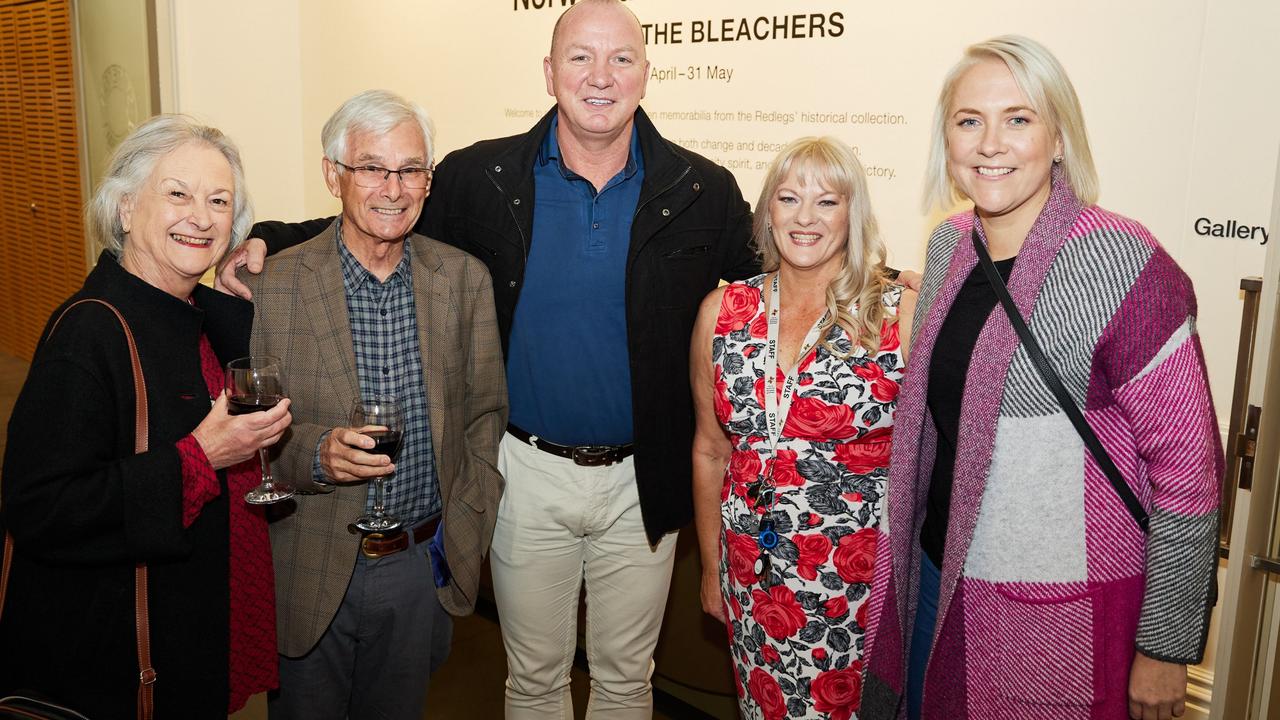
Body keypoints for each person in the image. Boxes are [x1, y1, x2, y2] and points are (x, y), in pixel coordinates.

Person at [218, 1, 757, 716]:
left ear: (646, 76)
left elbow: (774, 275)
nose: (600, 77)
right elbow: (380, 214)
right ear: (548, 72)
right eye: (580, 57)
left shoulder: (701, 189)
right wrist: (267, 236)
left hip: (641, 481)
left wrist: (881, 282)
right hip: (525, 472)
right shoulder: (482, 176)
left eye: (621, 58)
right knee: (533, 677)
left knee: (628, 677)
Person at [860, 36, 1222, 720]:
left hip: (1063, 597)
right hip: (934, 575)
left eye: (1018, 119)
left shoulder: (1122, 259)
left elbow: (1190, 473)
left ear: (1058, 138)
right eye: (970, 120)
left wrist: (1166, 647)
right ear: (948, 139)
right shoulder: (948, 246)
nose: (991, 142)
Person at [0, 116, 290, 717]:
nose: (201, 216)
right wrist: (201, 457)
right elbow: (40, 508)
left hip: (194, 636)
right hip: (121, 666)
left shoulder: (206, 314)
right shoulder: (90, 331)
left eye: (219, 201)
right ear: (127, 208)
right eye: (178, 194)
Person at [240, 89, 507, 720]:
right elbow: (246, 426)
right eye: (373, 168)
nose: (393, 188)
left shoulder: (464, 280)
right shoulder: (272, 285)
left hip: (419, 567)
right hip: (310, 562)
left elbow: (484, 414)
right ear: (333, 174)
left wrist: (466, 520)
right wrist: (317, 454)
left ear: (429, 181)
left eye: (411, 169)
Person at [690, 137, 913, 720]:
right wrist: (712, 571)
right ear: (768, 213)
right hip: (753, 573)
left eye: (827, 202)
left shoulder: (898, 313)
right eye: (789, 199)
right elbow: (711, 450)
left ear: (854, 213)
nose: (805, 218)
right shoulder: (723, 311)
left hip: (858, 582)